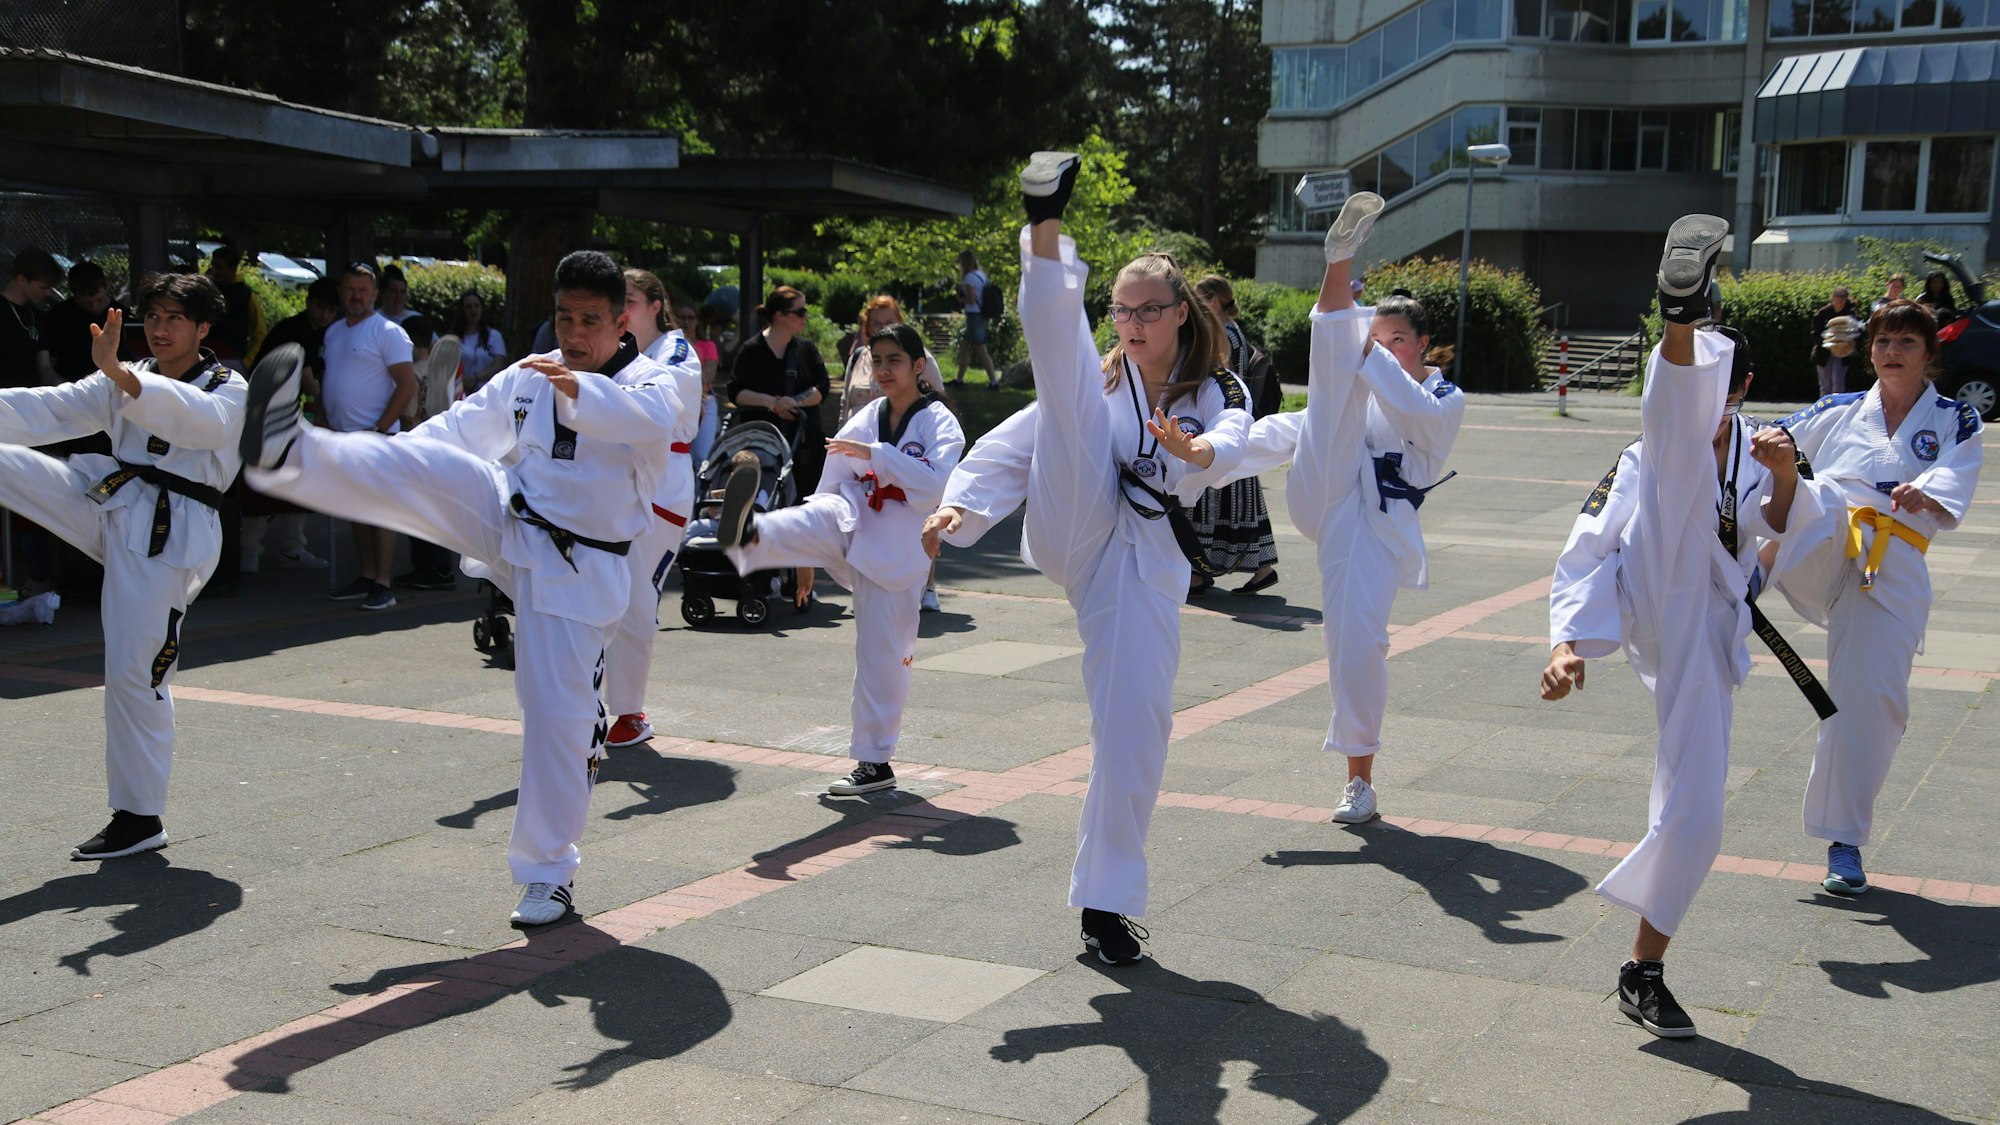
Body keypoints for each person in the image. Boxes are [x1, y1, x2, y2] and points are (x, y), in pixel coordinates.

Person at [240, 250, 683, 926]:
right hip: (512, 519)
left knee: (556, 724)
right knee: (426, 465)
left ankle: (548, 872)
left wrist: (575, 388)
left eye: (590, 320)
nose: (574, 333)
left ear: (623, 321)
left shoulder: (656, 382)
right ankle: (292, 454)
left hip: (582, 570)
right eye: (564, 317)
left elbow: (641, 423)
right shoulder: (529, 376)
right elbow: (457, 433)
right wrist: (414, 441)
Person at [923, 152, 1250, 965]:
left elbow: (1230, 443)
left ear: (1180, 312)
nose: (1132, 322)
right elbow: (1015, 444)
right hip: (1077, 526)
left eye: (1148, 309)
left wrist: (1196, 447)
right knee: (1065, 402)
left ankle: (1104, 903)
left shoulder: (1216, 388)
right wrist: (961, 501)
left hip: (1141, 566)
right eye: (1119, 309)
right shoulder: (1102, 379)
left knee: (1134, 728)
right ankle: (1045, 227)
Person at [1542, 214, 1812, 1039]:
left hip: (1708, 628)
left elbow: (1785, 529)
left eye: (1725, 373)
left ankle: (1643, 966)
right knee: (1670, 454)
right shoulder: (1642, 455)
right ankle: (1676, 316)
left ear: (1743, 381)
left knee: (1698, 816)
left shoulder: (1769, 449)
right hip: (1651, 586)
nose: (1720, 393)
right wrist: (1566, 642)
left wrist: (1789, 476)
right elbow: (1588, 546)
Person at [1215, 199, 1464, 826]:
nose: (1384, 350)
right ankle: (1339, 262)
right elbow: (1285, 431)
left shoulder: (1442, 396)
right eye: (1376, 338)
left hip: (1377, 530)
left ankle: (1360, 779)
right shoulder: (1355, 380)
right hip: (1323, 500)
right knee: (1328, 404)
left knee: (1356, 644)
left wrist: (1357, 346)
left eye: (1396, 340)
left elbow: (1417, 416)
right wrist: (1204, 456)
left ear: (1423, 344)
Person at [0, 272, 246, 859]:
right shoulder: (127, 376)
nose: (160, 329)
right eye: (153, 316)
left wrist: (121, 375)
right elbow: (45, 410)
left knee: (135, 672)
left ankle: (139, 817)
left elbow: (203, 425)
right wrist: (118, 377)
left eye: (174, 318)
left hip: (171, 536)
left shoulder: (230, 386)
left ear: (202, 328)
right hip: (110, 499)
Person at [1762, 298, 1981, 896]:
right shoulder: (1837, 409)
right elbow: (1769, 436)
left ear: (1929, 354)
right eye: (1883, 342)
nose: (1891, 353)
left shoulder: (1955, 418)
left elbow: (1956, 475)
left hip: (1893, 571)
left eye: (1907, 343)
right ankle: (1744, 578)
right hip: (1826, 548)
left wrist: (1927, 493)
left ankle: (1844, 840)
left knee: (1873, 706)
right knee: (1824, 491)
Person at [717, 322, 963, 793]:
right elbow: (831, 479)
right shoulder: (868, 414)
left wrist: (876, 455)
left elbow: (935, 486)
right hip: (852, 515)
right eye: (878, 360)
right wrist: (805, 555)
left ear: (917, 366)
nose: (884, 370)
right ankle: (752, 534)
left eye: (894, 360)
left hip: (898, 547)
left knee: (882, 659)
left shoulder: (938, 421)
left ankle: (875, 762)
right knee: (819, 513)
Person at [601, 269, 705, 750]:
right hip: (616, 475)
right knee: (603, 586)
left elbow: (653, 408)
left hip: (663, 479)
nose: (622, 308)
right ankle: (597, 699)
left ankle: (629, 709)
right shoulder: (614, 347)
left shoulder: (675, 353)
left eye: (630, 300)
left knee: (638, 593)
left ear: (655, 306)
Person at [320, 262, 417, 610]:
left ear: (374, 294)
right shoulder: (334, 332)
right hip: (344, 438)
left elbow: (408, 385)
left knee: (381, 512)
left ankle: (384, 583)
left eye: (363, 290)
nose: (356, 296)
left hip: (377, 438)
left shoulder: (387, 332)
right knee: (357, 511)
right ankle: (367, 575)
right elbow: (329, 384)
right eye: (350, 289)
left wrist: (380, 428)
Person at [840, 296, 947, 611]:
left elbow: (936, 400)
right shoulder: (859, 358)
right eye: (876, 324)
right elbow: (847, 401)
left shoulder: (919, 357)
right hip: (865, 449)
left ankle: (926, 585)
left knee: (919, 519)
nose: (883, 328)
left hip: (908, 451)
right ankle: (870, 579)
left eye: (889, 322)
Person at [1188, 275, 1279, 596]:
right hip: (1239, 429)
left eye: (1199, 300)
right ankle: (1262, 568)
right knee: (1244, 507)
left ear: (1213, 300)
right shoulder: (1235, 333)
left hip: (1221, 426)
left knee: (1209, 504)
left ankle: (1198, 572)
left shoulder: (1221, 334)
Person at [238, 278, 336, 574]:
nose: (323, 314)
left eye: (330, 310)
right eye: (320, 307)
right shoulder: (297, 330)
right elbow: (308, 379)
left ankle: (292, 547)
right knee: (260, 483)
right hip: (266, 416)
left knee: (300, 478)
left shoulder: (326, 334)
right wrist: (326, 409)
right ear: (308, 302)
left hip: (293, 417)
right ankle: (249, 553)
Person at [728, 286, 830, 494]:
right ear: (780, 315)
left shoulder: (807, 349)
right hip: (763, 444)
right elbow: (736, 391)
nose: (806, 317)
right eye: (800, 312)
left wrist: (795, 402)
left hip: (804, 447)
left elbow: (822, 387)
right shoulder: (751, 350)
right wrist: (770, 403)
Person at [1, 247, 62, 388]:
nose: (48, 293)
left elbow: (45, 369)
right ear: (21, 279)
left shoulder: (38, 317)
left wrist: (67, 390)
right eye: (42, 287)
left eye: (50, 288)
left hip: (28, 401)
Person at [47, 261, 114, 382]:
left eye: (99, 300)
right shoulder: (58, 317)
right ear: (74, 294)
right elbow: (48, 366)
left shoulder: (123, 315)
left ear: (107, 286)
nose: (95, 307)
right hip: (70, 387)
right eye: (86, 303)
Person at [678, 299, 721, 472]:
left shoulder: (708, 345)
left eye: (691, 318)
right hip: (678, 403)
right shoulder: (668, 346)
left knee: (702, 457)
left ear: (697, 321)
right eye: (681, 318)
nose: (686, 322)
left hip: (705, 401)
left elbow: (708, 376)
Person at [204, 246, 262, 364]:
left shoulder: (246, 294)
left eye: (219, 267)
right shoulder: (206, 290)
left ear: (233, 269)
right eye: (213, 266)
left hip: (234, 359)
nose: (214, 271)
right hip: (206, 358)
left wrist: (247, 361)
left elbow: (260, 332)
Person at [952, 250, 1000, 389]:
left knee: (980, 348)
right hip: (981, 314)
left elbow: (971, 299)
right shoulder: (981, 275)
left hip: (974, 315)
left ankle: (993, 381)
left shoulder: (968, 278)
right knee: (964, 346)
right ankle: (959, 379)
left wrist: (961, 298)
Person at [450, 289, 510, 393]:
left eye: (476, 305)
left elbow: (499, 364)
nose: (473, 310)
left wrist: (475, 378)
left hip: (487, 392)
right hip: (459, 392)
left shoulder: (494, 336)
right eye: (468, 307)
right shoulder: (453, 338)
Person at [1809, 286, 1856, 398]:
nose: (1840, 299)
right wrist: (1829, 341)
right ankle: (1823, 412)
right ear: (1832, 297)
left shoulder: (1851, 313)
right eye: (1838, 296)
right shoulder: (1822, 313)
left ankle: (1838, 413)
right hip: (1823, 353)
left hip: (1843, 353)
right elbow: (1814, 333)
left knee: (1838, 385)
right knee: (1825, 386)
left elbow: (1858, 332)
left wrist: (1849, 343)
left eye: (1843, 296)